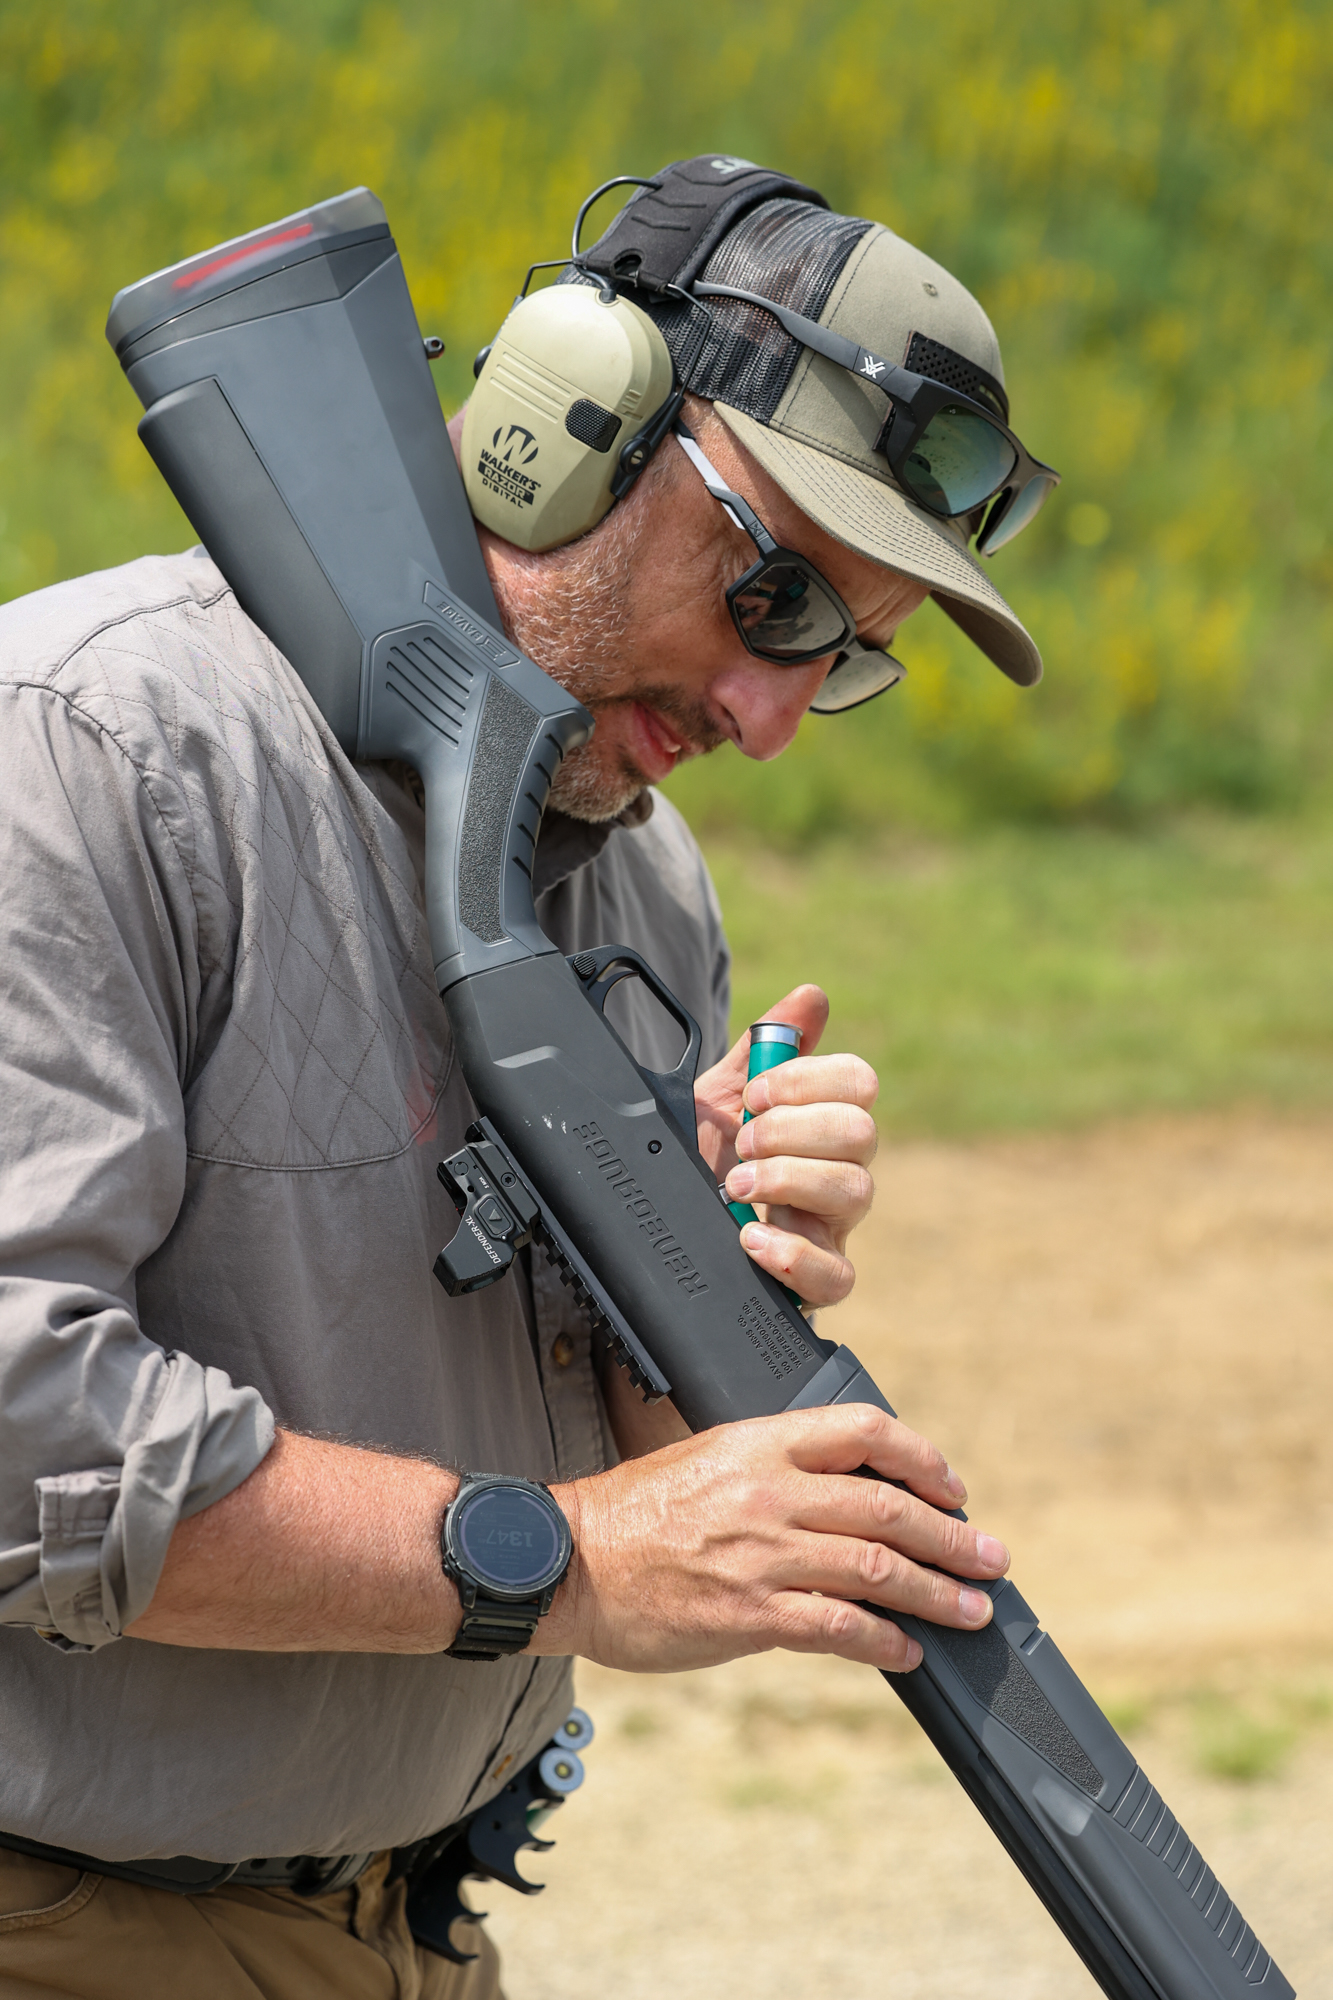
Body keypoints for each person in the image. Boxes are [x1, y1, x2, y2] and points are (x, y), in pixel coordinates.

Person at [0, 165, 1049, 1997]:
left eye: (848, 656)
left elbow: (637, 1478)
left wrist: (700, 1279)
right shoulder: (88, 757)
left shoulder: (631, 873)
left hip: (414, 1927)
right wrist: (550, 1563)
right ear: (559, 431)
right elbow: (22, 1434)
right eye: (776, 593)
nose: (773, 712)